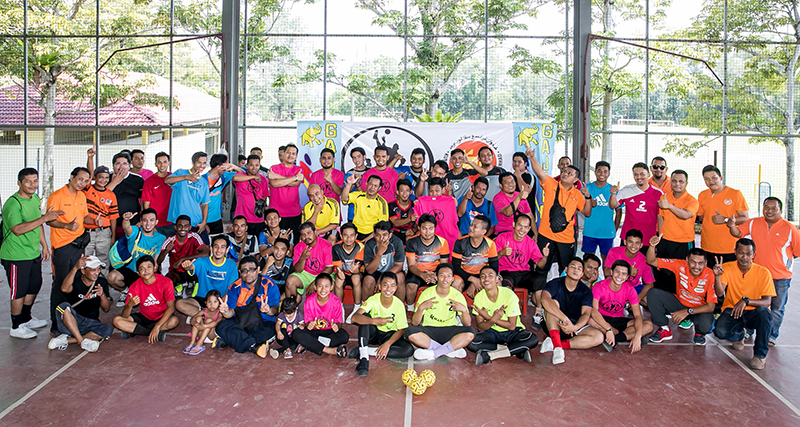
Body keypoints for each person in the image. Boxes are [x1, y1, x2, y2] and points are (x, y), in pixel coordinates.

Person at [727, 197, 799, 346]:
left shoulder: (790, 229)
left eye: (774, 208)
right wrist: (732, 225)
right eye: (766, 207)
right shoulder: (754, 223)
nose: (770, 211)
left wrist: (783, 263)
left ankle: (770, 335)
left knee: (776, 307)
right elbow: (737, 233)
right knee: (754, 304)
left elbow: (797, 251)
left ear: (781, 210)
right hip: (757, 275)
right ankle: (749, 330)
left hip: (780, 277)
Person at [2, 168, 60, 339]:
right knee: (18, 291)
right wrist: (45, 218)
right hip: (16, 255)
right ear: (19, 182)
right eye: (28, 181)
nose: (32, 185)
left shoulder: (34, 198)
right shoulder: (13, 204)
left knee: (34, 286)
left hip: (32, 252)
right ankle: (16, 326)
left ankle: (25, 318)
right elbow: (18, 229)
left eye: (35, 181)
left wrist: (44, 245)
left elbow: (38, 224)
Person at [526, 148, 592, 274]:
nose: (565, 174)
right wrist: (532, 157)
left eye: (570, 173)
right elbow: (539, 172)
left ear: (575, 180)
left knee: (566, 270)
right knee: (541, 269)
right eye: (565, 171)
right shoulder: (552, 184)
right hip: (546, 235)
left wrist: (587, 197)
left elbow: (587, 213)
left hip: (566, 239)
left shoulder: (577, 194)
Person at [713, 238, 775, 370]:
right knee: (719, 332)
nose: (744, 257)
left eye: (748, 253)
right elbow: (719, 293)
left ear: (754, 255)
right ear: (735, 252)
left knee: (764, 313)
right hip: (733, 310)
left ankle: (760, 355)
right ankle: (740, 334)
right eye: (741, 252)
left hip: (755, 312)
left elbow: (767, 301)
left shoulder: (763, 272)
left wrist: (747, 301)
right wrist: (717, 276)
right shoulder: (727, 268)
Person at [47, 167, 93, 334]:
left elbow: (84, 217)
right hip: (62, 246)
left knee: (75, 281)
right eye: (80, 179)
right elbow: (49, 220)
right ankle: (56, 324)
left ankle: (72, 318)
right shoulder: (57, 196)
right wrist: (66, 225)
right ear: (72, 177)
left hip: (78, 245)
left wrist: (96, 220)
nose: (83, 183)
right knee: (60, 284)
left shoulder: (81, 196)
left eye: (86, 181)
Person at [646, 237, 717, 345]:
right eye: (693, 262)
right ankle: (664, 329)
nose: (696, 267)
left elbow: (710, 307)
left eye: (700, 263)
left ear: (706, 263)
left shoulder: (710, 274)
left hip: (698, 308)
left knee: (705, 324)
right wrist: (652, 246)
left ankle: (699, 333)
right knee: (653, 294)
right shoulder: (680, 264)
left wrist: (687, 312)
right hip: (679, 302)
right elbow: (651, 261)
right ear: (687, 260)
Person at [539, 258, 604, 365]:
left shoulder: (586, 291)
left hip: (573, 327)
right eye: (573, 266)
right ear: (566, 269)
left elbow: (586, 313)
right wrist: (564, 319)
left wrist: (575, 327)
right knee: (553, 304)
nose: (576, 270)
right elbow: (544, 299)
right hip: (554, 323)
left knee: (598, 337)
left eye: (579, 268)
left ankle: (556, 343)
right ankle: (558, 349)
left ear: (582, 274)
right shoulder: (555, 283)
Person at [213, 256, 281, 358]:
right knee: (221, 326)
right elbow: (230, 314)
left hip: (263, 323)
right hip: (241, 322)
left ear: (258, 269)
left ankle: (232, 340)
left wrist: (268, 310)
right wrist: (226, 311)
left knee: (267, 332)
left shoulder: (268, 284)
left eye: (251, 270)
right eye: (244, 271)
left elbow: (275, 310)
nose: (248, 274)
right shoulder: (235, 287)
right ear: (240, 272)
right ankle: (254, 346)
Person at [468, 266, 538, 365]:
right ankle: (516, 350)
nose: (486, 279)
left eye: (490, 276)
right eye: (483, 276)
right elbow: (480, 327)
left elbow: (511, 326)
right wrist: (492, 320)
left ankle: (490, 355)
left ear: (497, 279)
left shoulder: (509, 295)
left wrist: (489, 318)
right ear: (480, 280)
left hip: (512, 332)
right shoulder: (479, 297)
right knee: (471, 343)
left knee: (532, 339)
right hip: (492, 331)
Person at [405, 263, 475, 361]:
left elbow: (467, 324)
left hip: (450, 330)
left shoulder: (457, 295)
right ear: (436, 277)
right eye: (442, 275)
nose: (445, 279)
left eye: (448, 276)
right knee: (410, 332)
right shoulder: (427, 293)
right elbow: (415, 323)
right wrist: (421, 308)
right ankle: (449, 350)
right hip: (430, 331)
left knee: (470, 333)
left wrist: (463, 310)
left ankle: (434, 353)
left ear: (452, 279)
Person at [349, 272, 414, 376]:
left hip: (389, 335)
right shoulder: (373, 299)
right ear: (379, 286)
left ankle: (367, 350)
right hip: (374, 333)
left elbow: (401, 329)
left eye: (392, 285)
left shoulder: (399, 304)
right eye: (385, 285)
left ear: (396, 288)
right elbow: (354, 317)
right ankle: (364, 358)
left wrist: (387, 344)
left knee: (408, 350)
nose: (389, 289)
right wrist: (374, 321)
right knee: (365, 317)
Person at [49, 255, 113, 352]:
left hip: (90, 323)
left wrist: (102, 295)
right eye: (92, 270)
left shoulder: (101, 282)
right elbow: (64, 289)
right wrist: (75, 268)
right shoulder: (75, 281)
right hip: (72, 322)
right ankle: (82, 341)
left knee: (107, 329)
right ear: (83, 271)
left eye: (98, 269)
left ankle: (68, 340)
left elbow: (106, 308)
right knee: (63, 307)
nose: (97, 273)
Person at [112, 256, 180, 343]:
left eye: (149, 267)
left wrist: (157, 326)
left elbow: (171, 307)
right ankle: (150, 332)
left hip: (161, 316)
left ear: (154, 268)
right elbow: (124, 316)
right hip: (144, 316)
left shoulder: (166, 282)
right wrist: (130, 305)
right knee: (117, 320)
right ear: (138, 273)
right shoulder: (135, 286)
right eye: (142, 269)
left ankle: (135, 330)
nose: (146, 271)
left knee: (174, 321)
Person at [590, 260, 653, 353]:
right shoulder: (599, 286)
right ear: (611, 272)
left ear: (627, 277)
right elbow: (594, 310)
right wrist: (608, 329)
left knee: (648, 325)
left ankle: (615, 338)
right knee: (589, 319)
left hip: (618, 319)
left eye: (624, 274)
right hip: (601, 319)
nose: (620, 276)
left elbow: (638, 316)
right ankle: (620, 335)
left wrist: (638, 336)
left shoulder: (630, 290)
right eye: (617, 272)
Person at [107, 209, 167, 307]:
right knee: (112, 277)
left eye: (151, 220)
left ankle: (139, 292)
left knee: (147, 302)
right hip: (131, 270)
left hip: (146, 273)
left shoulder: (161, 238)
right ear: (141, 221)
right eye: (145, 220)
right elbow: (127, 229)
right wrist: (126, 220)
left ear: (156, 222)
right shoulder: (136, 232)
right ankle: (126, 292)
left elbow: (155, 260)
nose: (148, 223)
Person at [495, 214, 548, 323]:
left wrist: (545, 256)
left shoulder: (530, 243)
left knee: (540, 279)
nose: (522, 229)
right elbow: (491, 259)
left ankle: (538, 314)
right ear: (514, 225)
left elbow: (540, 264)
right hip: (506, 271)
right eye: (519, 225)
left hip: (524, 272)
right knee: (506, 283)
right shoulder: (502, 237)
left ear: (529, 229)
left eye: (525, 227)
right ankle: (510, 313)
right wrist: (502, 253)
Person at [175, 234, 238, 320]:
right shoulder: (202, 261)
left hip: (220, 300)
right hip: (203, 299)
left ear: (227, 250)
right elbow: (191, 267)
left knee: (229, 312)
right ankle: (210, 316)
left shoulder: (231, 265)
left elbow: (231, 288)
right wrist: (187, 266)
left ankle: (204, 315)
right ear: (211, 248)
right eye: (216, 246)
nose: (219, 250)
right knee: (179, 304)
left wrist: (219, 303)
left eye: (222, 247)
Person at [697, 165, 749, 268]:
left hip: (729, 248)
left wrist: (725, 220)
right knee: (711, 280)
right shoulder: (702, 195)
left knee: (729, 281)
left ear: (721, 178)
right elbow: (701, 217)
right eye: (706, 179)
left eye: (714, 177)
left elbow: (745, 218)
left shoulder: (735, 194)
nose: (711, 181)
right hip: (707, 246)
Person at [291, 275, 349, 358]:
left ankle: (310, 345)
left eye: (326, 286)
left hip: (329, 331)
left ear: (331, 287)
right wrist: (309, 325)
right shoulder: (309, 301)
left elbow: (339, 322)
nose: (323, 290)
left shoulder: (336, 301)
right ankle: (329, 350)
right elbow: (307, 323)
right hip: (313, 332)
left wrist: (336, 326)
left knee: (344, 336)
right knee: (296, 333)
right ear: (315, 287)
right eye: (320, 286)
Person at [609, 162, 663, 251]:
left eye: (642, 174)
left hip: (648, 238)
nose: (639, 177)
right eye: (636, 174)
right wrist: (613, 194)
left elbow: (660, 216)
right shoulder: (627, 190)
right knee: (624, 263)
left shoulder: (658, 193)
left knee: (645, 264)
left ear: (648, 175)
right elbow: (612, 205)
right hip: (628, 237)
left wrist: (660, 236)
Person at [406, 214, 462, 293]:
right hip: (417, 272)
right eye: (424, 228)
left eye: (431, 228)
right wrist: (422, 274)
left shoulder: (442, 242)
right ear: (419, 228)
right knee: (411, 286)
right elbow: (411, 265)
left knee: (444, 283)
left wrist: (435, 275)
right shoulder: (412, 242)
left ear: (435, 228)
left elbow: (444, 265)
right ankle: (410, 306)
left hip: (436, 273)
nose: (427, 232)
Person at [165, 151, 211, 243]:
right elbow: (167, 180)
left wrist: (204, 222)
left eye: (204, 163)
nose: (201, 165)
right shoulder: (181, 172)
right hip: (179, 223)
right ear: (193, 162)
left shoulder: (204, 182)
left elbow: (205, 204)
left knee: (205, 247)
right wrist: (186, 177)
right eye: (199, 162)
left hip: (196, 222)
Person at [156, 215, 208, 295]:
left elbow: (206, 253)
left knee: (202, 270)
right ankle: (174, 294)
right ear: (175, 227)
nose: (183, 229)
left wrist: (182, 259)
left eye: (185, 226)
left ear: (190, 227)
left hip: (191, 270)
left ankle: (194, 288)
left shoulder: (194, 236)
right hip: (176, 272)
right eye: (180, 226)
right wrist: (166, 250)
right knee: (167, 280)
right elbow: (159, 261)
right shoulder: (170, 240)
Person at [83, 165, 119, 275]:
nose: (104, 180)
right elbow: (88, 174)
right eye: (101, 177)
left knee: (103, 261)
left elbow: (113, 218)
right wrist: (90, 157)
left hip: (104, 232)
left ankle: (102, 287)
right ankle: (85, 286)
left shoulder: (111, 195)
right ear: (94, 177)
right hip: (87, 232)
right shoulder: (87, 189)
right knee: (85, 260)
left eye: (106, 177)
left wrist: (113, 237)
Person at [284, 222, 334, 302]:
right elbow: (297, 270)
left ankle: (331, 310)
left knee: (332, 284)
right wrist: (302, 258)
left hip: (323, 273)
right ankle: (291, 310)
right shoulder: (299, 247)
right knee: (290, 281)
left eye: (309, 233)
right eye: (303, 235)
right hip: (306, 274)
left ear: (315, 232)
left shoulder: (326, 245)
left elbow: (329, 268)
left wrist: (315, 282)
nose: (306, 237)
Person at [452, 215, 499, 298]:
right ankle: (455, 309)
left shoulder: (490, 244)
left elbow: (494, 268)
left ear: (483, 231)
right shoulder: (460, 242)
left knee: (498, 283)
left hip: (483, 275)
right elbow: (456, 267)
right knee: (455, 284)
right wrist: (473, 280)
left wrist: (479, 281)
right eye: (471, 225)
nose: (471, 228)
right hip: (463, 274)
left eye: (475, 226)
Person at [582, 161, 621, 260]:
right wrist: (589, 202)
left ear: (609, 174)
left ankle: (606, 276)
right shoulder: (587, 188)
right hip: (589, 231)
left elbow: (619, 212)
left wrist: (614, 229)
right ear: (595, 172)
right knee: (588, 259)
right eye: (599, 171)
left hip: (607, 232)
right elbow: (580, 207)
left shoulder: (613, 190)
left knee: (607, 259)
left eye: (605, 171)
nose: (602, 174)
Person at [362, 221, 407, 307]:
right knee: (368, 281)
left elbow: (398, 265)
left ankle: (399, 308)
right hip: (375, 271)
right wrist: (379, 253)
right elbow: (369, 270)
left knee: (400, 277)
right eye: (378, 235)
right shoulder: (370, 244)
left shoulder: (397, 242)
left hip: (391, 270)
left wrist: (383, 277)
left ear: (390, 235)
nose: (381, 238)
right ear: (374, 235)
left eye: (384, 235)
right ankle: (365, 309)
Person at [604, 229, 655, 303]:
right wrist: (628, 272)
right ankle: (617, 299)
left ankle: (630, 303)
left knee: (650, 301)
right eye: (630, 242)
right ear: (625, 242)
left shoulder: (644, 260)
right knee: (608, 280)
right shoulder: (614, 252)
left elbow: (650, 284)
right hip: (617, 284)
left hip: (633, 288)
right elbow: (606, 272)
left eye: (637, 243)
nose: (633, 246)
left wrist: (637, 299)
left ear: (641, 245)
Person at [656, 170, 698, 260]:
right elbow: (660, 217)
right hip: (665, 241)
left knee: (682, 272)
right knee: (662, 271)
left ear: (686, 183)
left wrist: (669, 206)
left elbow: (686, 215)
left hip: (683, 242)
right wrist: (660, 236)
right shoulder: (664, 197)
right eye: (674, 181)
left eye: (681, 181)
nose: (677, 184)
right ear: (670, 182)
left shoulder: (692, 201)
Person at [269, 144, 305, 243]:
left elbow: (295, 184)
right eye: (288, 152)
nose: (290, 155)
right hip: (277, 213)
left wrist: (277, 176)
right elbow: (274, 184)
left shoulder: (299, 170)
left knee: (294, 242)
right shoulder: (274, 168)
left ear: (296, 156)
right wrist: (294, 177)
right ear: (283, 154)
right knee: (276, 242)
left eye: (293, 153)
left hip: (294, 212)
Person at [413, 177, 459, 250]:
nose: (434, 193)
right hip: (428, 239)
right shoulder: (422, 202)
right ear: (428, 190)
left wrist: (453, 203)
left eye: (437, 190)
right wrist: (418, 205)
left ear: (443, 190)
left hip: (447, 238)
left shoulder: (450, 202)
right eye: (431, 191)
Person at [332, 223, 364, 322]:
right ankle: (340, 308)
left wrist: (358, 269)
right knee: (339, 280)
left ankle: (357, 307)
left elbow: (360, 267)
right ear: (341, 236)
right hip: (343, 273)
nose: (348, 238)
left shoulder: (361, 247)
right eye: (345, 235)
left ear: (356, 236)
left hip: (356, 274)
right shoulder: (336, 248)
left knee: (356, 278)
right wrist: (339, 272)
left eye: (351, 235)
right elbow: (338, 268)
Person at [342, 173, 389, 240]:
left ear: (379, 188)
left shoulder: (382, 202)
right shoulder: (358, 196)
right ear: (366, 184)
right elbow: (344, 199)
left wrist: (367, 239)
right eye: (370, 184)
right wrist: (349, 184)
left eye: (375, 186)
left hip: (372, 234)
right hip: (356, 232)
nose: (372, 187)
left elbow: (382, 226)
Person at [234, 154, 271, 236]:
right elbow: (235, 178)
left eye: (257, 165)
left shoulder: (263, 179)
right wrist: (252, 177)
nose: (254, 168)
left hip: (258, 218)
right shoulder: (241, 176)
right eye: (251, 165)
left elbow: (264, 196)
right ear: (246, 165)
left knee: (258, 244)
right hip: (242, 219)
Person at [106, 152, 144, 229]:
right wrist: (115, 182)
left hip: (132, 223)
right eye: (118, 163)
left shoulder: (138, 179)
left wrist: (142, 220)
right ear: (113, 166)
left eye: (124, 164)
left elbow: (144, 201)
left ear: (129, 165)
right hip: (109, 223)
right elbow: (101, 196)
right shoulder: (106, 178)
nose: (121, 166)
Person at [204, 153, 240, 235]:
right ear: (219, 166)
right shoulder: (203, 180)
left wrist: (233, 166)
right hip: (204, 221)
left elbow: (244, 173)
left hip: (217, 219)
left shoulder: (223, 177)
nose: (227, 168)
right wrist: (203, 222)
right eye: (226, 164)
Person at [141, 152, 173, 236]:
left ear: (169, 163)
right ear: (155, 164)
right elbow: (146, 206)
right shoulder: (149, 182)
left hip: (173, 222)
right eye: (159, 162)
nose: (162, 164)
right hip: (157, 224)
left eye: (165, 162)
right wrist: (151, 224)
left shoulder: (174, 178)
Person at [493, 172, 534, 236]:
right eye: (506, 182)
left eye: (512, 181)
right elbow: (508, 213)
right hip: (504, 233)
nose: (511, 184)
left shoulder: (519, 195)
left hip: (521, 233)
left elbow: (530, 216)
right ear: (501, 185)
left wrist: (536, 234)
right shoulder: (497, 198)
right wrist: (519, 198)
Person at [184, 290, 223, 355]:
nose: (212, 304)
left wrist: (204, 326)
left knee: (209, 321)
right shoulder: (204, 311)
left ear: (219, 303)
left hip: (212, 337)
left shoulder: (219, 312)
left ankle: (200, 343)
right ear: (205, 303)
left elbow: (216, 322)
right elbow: (192, 319)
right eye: (209, 302)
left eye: (215, 302)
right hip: (201, 335)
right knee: (198, 318)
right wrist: (196, 323)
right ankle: (192, 341)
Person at [344, 147, 371, 221]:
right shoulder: (349, 174)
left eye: (359, 156)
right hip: (353, 214)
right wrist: (352, 183)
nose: (357, 160)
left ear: (364, 157)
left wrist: (362, 178)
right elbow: (345, 197)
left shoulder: (371, 172)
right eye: (354, 158)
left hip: (369, 213)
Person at [388, 178, 417, 243]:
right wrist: (410, 219)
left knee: (410, 240)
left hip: (410, 232)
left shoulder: (415, 205)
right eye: (402, 190)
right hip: (395, 233)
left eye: (407, 190)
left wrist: (413, 230)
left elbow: (419, 223)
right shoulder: (391, 205)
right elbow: (395, 222)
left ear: (411, 192)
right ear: (397, 192)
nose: (404, 193)